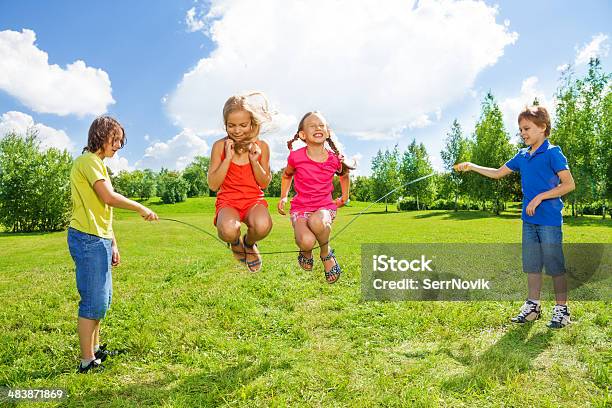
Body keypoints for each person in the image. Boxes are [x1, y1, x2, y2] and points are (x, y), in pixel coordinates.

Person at [456, 106, 575, 328]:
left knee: (554, 266)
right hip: (528, 221)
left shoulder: (553, 152)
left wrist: (540, 197)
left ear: (543, 127)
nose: (523, 133)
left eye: (527, 128)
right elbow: (497, 173)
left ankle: (562, 310)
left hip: (549, 221)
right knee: (531, 265)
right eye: (520, 129)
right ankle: (533, 307)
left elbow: (569, 185)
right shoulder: (522, 156)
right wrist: (471, 166)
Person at [68, 116, 158, 373]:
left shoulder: (97, 164)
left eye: (120, 140)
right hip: (87, 238)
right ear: (100, 135)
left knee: (101, 300)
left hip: (99, 238)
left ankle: (94, 351)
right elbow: (108, 197)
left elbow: (103, 210)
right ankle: (87, 362)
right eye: (115, 139)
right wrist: (141, 207)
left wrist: (114, 243)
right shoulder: (88, 161)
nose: (118, 145)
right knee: (92, 301)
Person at [278, 111, 352, 283]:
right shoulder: (296, 157)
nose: (318, 128)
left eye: (321, 125)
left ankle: (326, 253)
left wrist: (344, 197)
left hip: (324, 207)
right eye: (312, 125)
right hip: (300, 209)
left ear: (327, 132)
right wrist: (283, 196)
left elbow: (344, 175)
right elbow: (287, 175)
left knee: (318, 221)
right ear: (303, 135)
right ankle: (305, 251)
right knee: (307, 241)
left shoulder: (334, 159)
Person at [207, 93, 273, 272]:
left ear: (252, 123)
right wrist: (227, 158)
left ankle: (249, 244)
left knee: (263, 226)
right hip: (228, 201)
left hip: (253, 200)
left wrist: (254, 161)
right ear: (225, 125)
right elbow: (213, 185)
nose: (237, 130)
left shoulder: (262, 146)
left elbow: (264, 183)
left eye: (243, 125)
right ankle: (235, 242)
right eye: (231, 125)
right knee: (228, 230)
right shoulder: (220, 146)